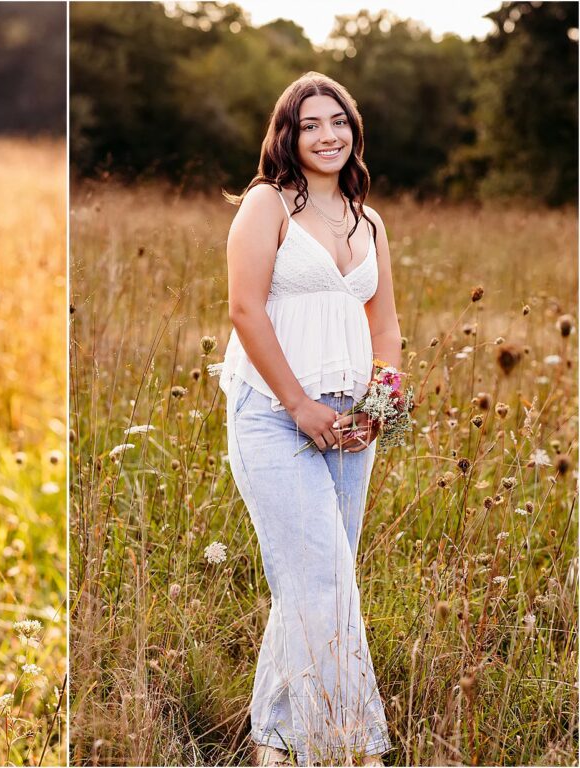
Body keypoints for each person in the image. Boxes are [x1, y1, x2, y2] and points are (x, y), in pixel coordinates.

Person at [220, 72, 400, 767]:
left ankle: (276, 740)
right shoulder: (267, 204)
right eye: (310, 124)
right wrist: (299, 404)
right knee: (323, 581)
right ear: (287, 136)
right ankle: (350, 750)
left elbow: (385, 328)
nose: (328, 135)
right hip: (273, 415)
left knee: (317, 581)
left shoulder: (369, 218)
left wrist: (377, 411)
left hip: (352, 425)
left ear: (353, 131)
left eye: (339, 122)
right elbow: (244, 309)